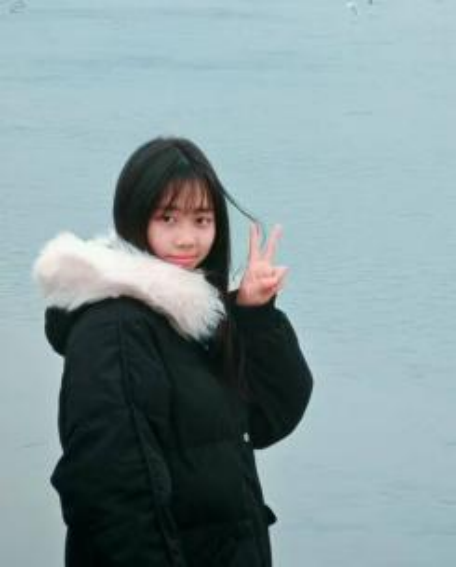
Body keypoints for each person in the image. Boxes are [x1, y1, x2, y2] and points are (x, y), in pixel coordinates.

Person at [33, 137, 314, 567]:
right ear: (134, 218)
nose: (187, 239)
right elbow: (113, 496)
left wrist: (254, 316)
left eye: (202, 220)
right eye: (168, 218)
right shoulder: (116, 329)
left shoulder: (187, 318)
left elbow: (267, 419)